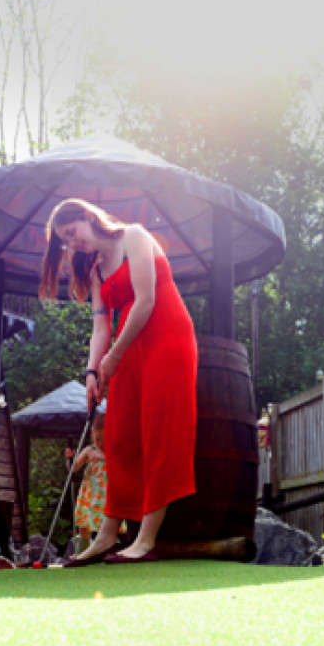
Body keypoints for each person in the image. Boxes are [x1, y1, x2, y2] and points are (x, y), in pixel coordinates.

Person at [39, 198, 197, 564]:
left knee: (158, 432)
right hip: (128, 349)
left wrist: (114, 356)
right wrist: (93, 371)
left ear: (85, 216)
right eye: (65, 240)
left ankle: (145, 539)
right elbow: (101, 326)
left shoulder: (135, 237)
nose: (72, 242)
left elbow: (145, 301)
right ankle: (107, 536)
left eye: (71, 232)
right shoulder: (96, 268)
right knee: (119, 436)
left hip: (166, 339)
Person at [64, 412, 123, 555]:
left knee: (111, 526)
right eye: (97, 440)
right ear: (92, 434)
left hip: (107, 496)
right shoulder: (90, 451)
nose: (101, 444)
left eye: (105, 439)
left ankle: (110, 553)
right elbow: (74, 468)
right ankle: (81, 554)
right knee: (84, 526)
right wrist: (69, 459)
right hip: (90, 495)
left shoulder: (114, 452)